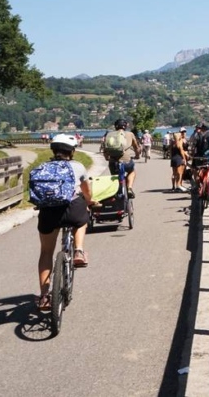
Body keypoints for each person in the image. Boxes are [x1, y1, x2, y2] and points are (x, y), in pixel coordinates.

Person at [34, 134, 94, 311]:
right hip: (72, 209)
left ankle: (44, 296)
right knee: (82, 219)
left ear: (53, 150)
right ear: (72, 151)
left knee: (46, 253)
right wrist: (89, 201)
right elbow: (86, 190)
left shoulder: (43, 167)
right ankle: (79, 251)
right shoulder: (78, 166)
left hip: (49, 212)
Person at [99, 118, 142, 198]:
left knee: (115, 177)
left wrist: (107, 158)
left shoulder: (109, 135)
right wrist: (137, 155)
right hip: (126, 161)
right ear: (125, 126)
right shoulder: (130, 134)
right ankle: (129, 188)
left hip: (113, 162)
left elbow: (105, 149)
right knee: (132, 171)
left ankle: (116, 191)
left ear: (115, 127)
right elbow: (136, 148)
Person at [170, 127, 190, 192]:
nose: (183, 133)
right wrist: (184, 157)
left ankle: (175, 186)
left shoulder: (172, 142)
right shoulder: (180, 141)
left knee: (175, 173)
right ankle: (178, 186)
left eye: (184, 132)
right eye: (182, 132)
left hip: (173, 157)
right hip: (179, 157)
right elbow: (181, 150)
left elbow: (170, 149)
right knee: (179, 173)